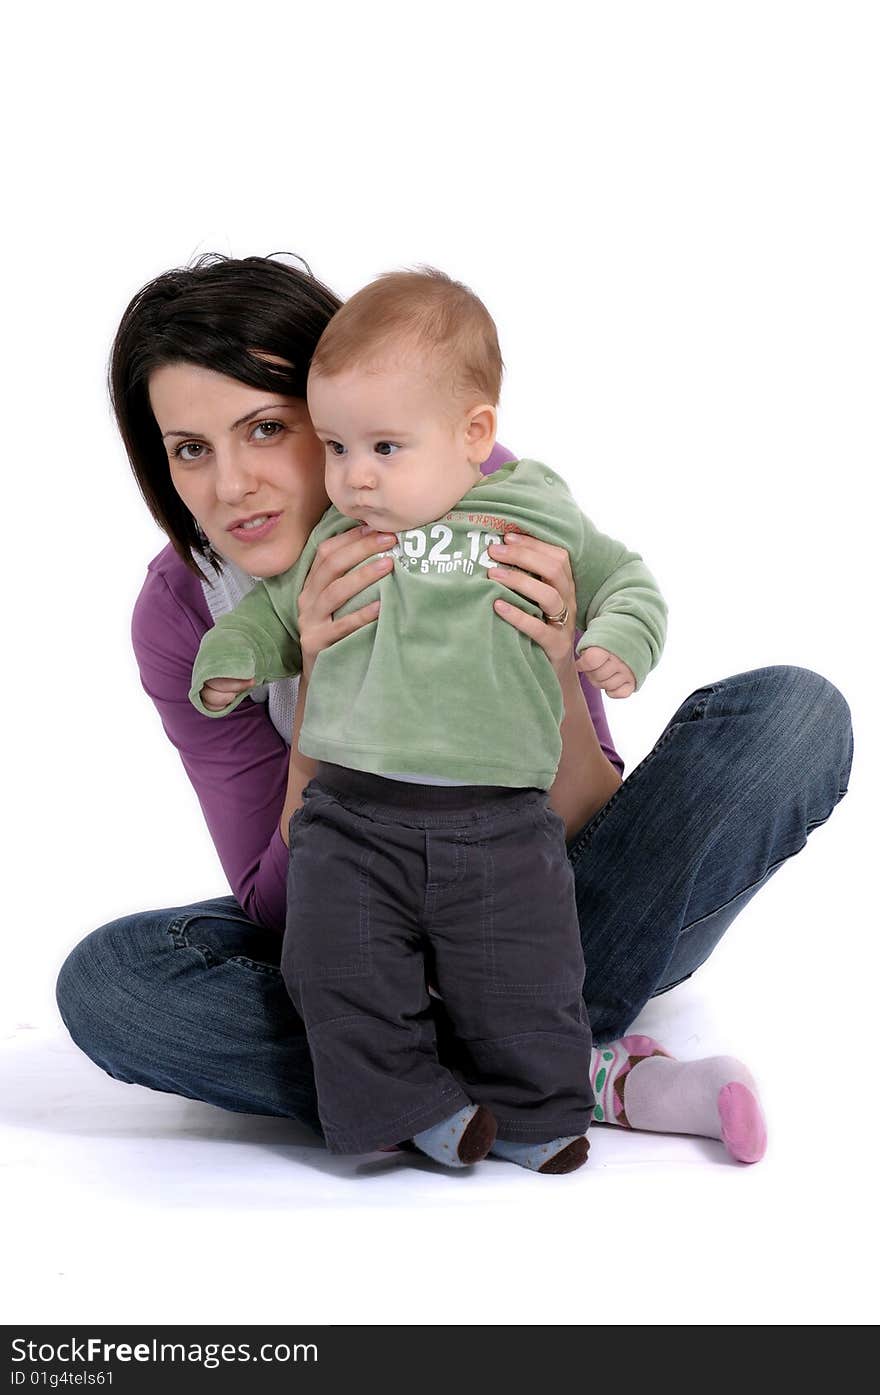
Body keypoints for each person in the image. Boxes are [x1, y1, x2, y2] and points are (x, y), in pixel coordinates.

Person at [55, 254, 853, 1172]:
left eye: (267, 428)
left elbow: (585, 828)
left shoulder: (484, 498)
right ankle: (564, 1075)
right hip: (354, 926)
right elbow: (272, 904)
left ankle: (410, 1082)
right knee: (115, 981)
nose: (230, 485)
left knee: (792, 717)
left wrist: (552, 663)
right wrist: (323, 676)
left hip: (527, 901)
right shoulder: (182, 612)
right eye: (190, 447)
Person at [188, 267, 669, 1174]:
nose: (353, 476)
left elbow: (627, 577)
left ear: (472, 433)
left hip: (499, 821)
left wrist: (613, 644)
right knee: (335, 970)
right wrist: (232, 662)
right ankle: (414, 1104)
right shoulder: (338, 535)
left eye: (383, 448)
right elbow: (268, 616)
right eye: (334, 446)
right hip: (353, 821)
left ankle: (537, 1112)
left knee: (524, 976)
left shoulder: (532, 512)